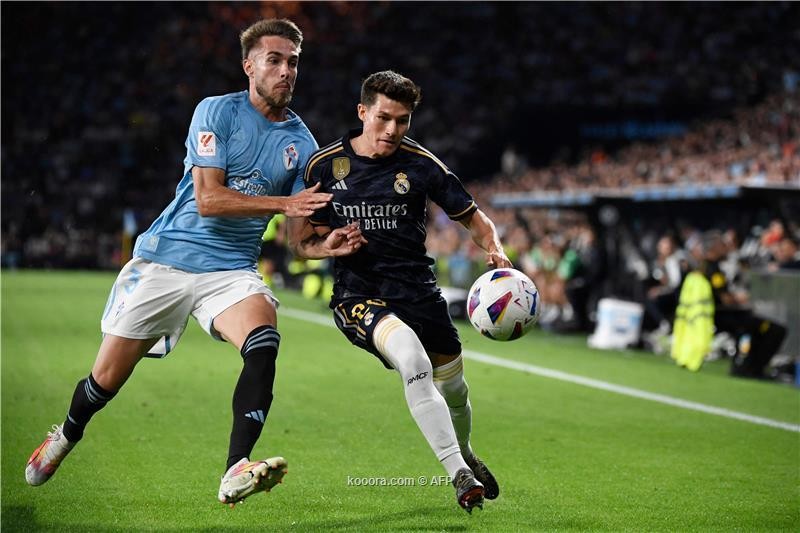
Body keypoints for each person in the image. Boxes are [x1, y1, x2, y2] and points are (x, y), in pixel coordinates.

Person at [25, 18, 365, 507]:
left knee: (264, 341)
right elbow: (209, 199)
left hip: (231, 271)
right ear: (248, 66)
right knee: (105, 381)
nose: (286, 71)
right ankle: (65, 435)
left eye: (293, 62)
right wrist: (282, 204)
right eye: (274, 60)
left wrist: (326, 245)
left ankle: (235, 468)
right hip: (168, 260)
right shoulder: (216, 111)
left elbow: (298, 240)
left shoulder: (303, 144)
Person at [291, 70, 511, 513]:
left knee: (455, 390)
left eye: (403, 120)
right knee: (412, 359)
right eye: (384, 118)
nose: (393, 129)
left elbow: (473, 217)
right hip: (358, 295)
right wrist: (327, 247)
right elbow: (301, 244)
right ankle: (459, 473)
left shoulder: (422, 164)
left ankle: (465, 451)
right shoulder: (323, 167)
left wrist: (495, 247)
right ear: (362, 112)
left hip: (419, 293)